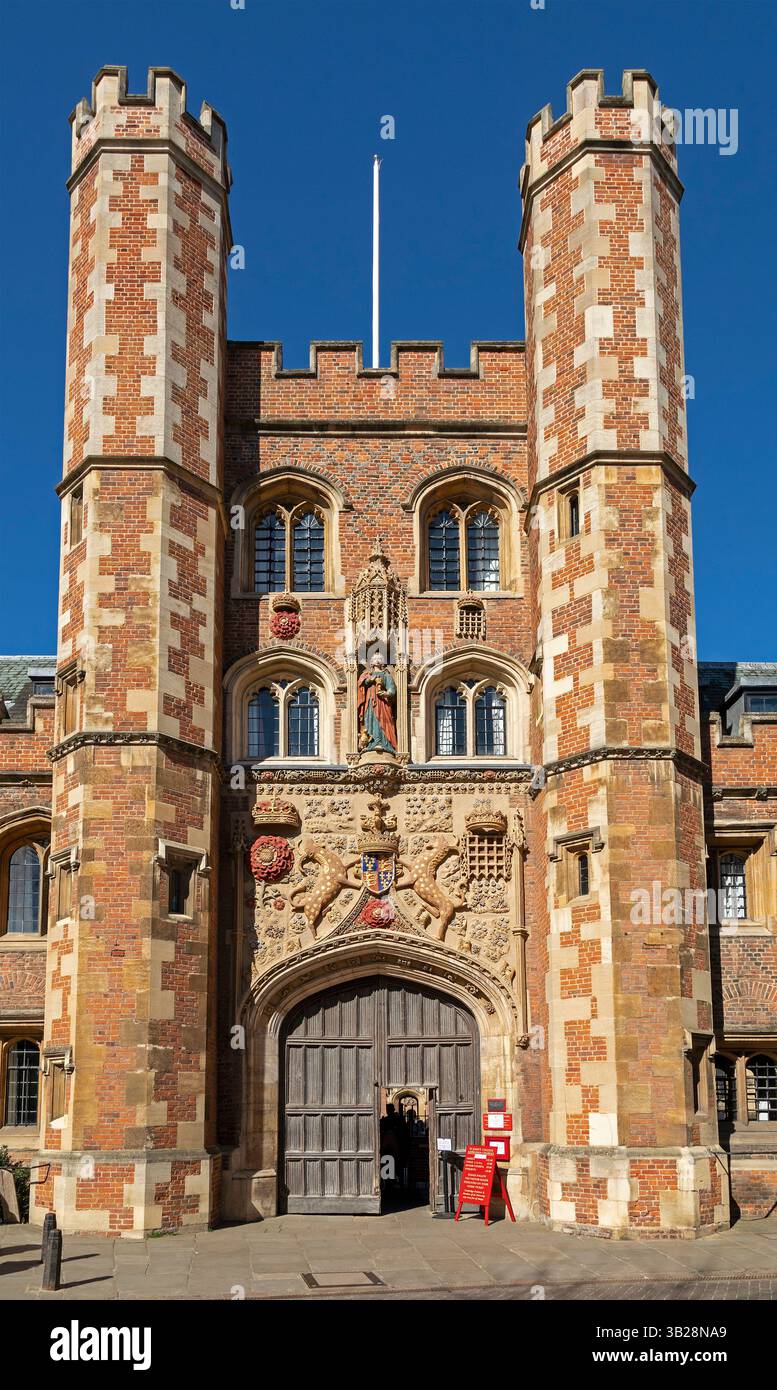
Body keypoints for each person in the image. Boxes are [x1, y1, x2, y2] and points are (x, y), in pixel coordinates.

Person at [357, 654, 398, 754]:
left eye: (379, 659)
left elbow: (392, 690)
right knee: (370, 719)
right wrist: (370, 680)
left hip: (382, 702)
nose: (377, 661)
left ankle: (385, 743)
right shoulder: (367, 674)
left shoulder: (386, 675)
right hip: (370, 701)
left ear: (382, 662)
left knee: (384, 720)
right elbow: (361, 684)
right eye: (375, 659)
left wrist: (386, 693)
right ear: (371, 662)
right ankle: (370, 743)